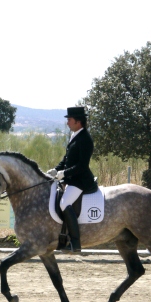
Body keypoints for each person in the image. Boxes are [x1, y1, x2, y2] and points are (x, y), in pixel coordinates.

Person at [47, 106, 96, 252]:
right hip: (71, 178)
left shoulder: (85, 139)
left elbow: (82, 165)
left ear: (78, 121)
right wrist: (56, 169)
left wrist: (65, 174)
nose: (67, 122)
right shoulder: (75, 135)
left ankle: (75, 242)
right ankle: (62, 237)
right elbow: (67, 159)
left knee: (64, 203)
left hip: (80, 180)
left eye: (69, 120)